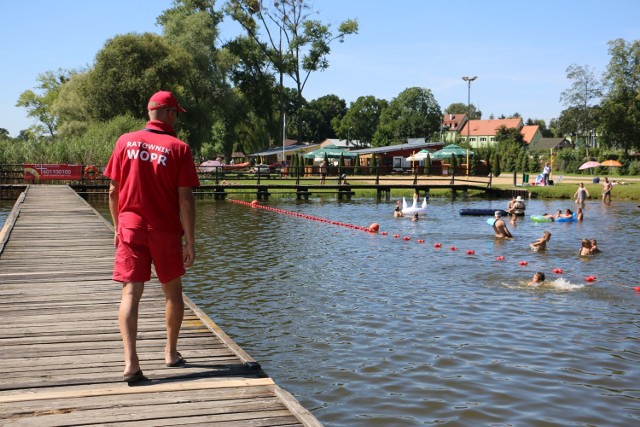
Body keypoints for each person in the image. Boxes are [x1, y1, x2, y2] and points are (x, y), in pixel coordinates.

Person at [104, 90, 200, 383]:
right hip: (165, 231)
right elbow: (185, 198)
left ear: (149, 113)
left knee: (130, 293)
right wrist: (191, 241)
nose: (177, 120)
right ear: (169, 113)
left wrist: (118, 227)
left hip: (130, 227)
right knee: (172, 292)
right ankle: (170, 353)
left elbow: (112, 191)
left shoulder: (124, 141)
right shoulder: (179, 148)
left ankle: (131, 363)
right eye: (176, 114)